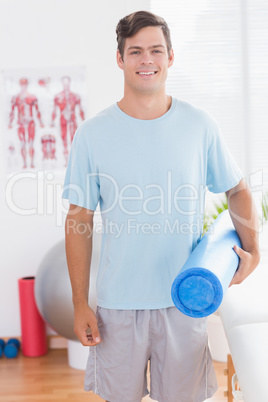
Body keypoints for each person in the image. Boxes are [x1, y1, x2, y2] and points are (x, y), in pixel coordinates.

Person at [62, 10, 260, 402]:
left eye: (155, 50)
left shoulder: (199, 125)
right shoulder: (92, 134)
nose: (146, 60)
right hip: (117, 309)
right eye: (135, 51)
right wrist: (79, 302)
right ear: (120, 59)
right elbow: (78, 219)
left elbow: (236, 189)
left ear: (171, 56)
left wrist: (252, 250)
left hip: (184, 303)